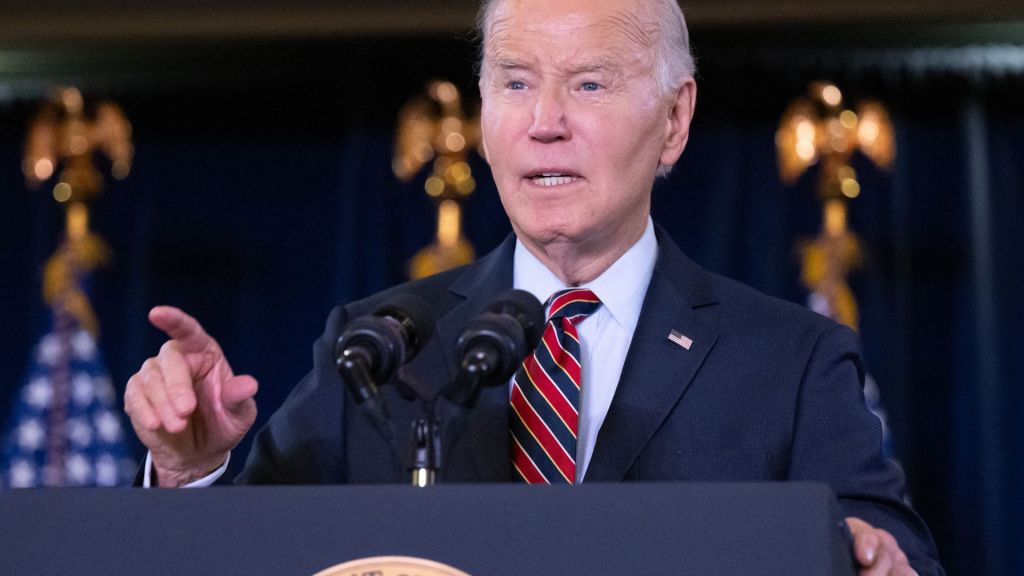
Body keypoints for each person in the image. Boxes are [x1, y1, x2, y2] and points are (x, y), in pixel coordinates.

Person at [123, 0, 944, 574]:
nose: (544, 120)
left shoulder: (790, 361)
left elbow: (888, 546)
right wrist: (192, 472)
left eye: (588, 84)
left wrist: (864, 556)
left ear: (675, 118)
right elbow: (247, 554)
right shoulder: (375, 346)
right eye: (515, 82)